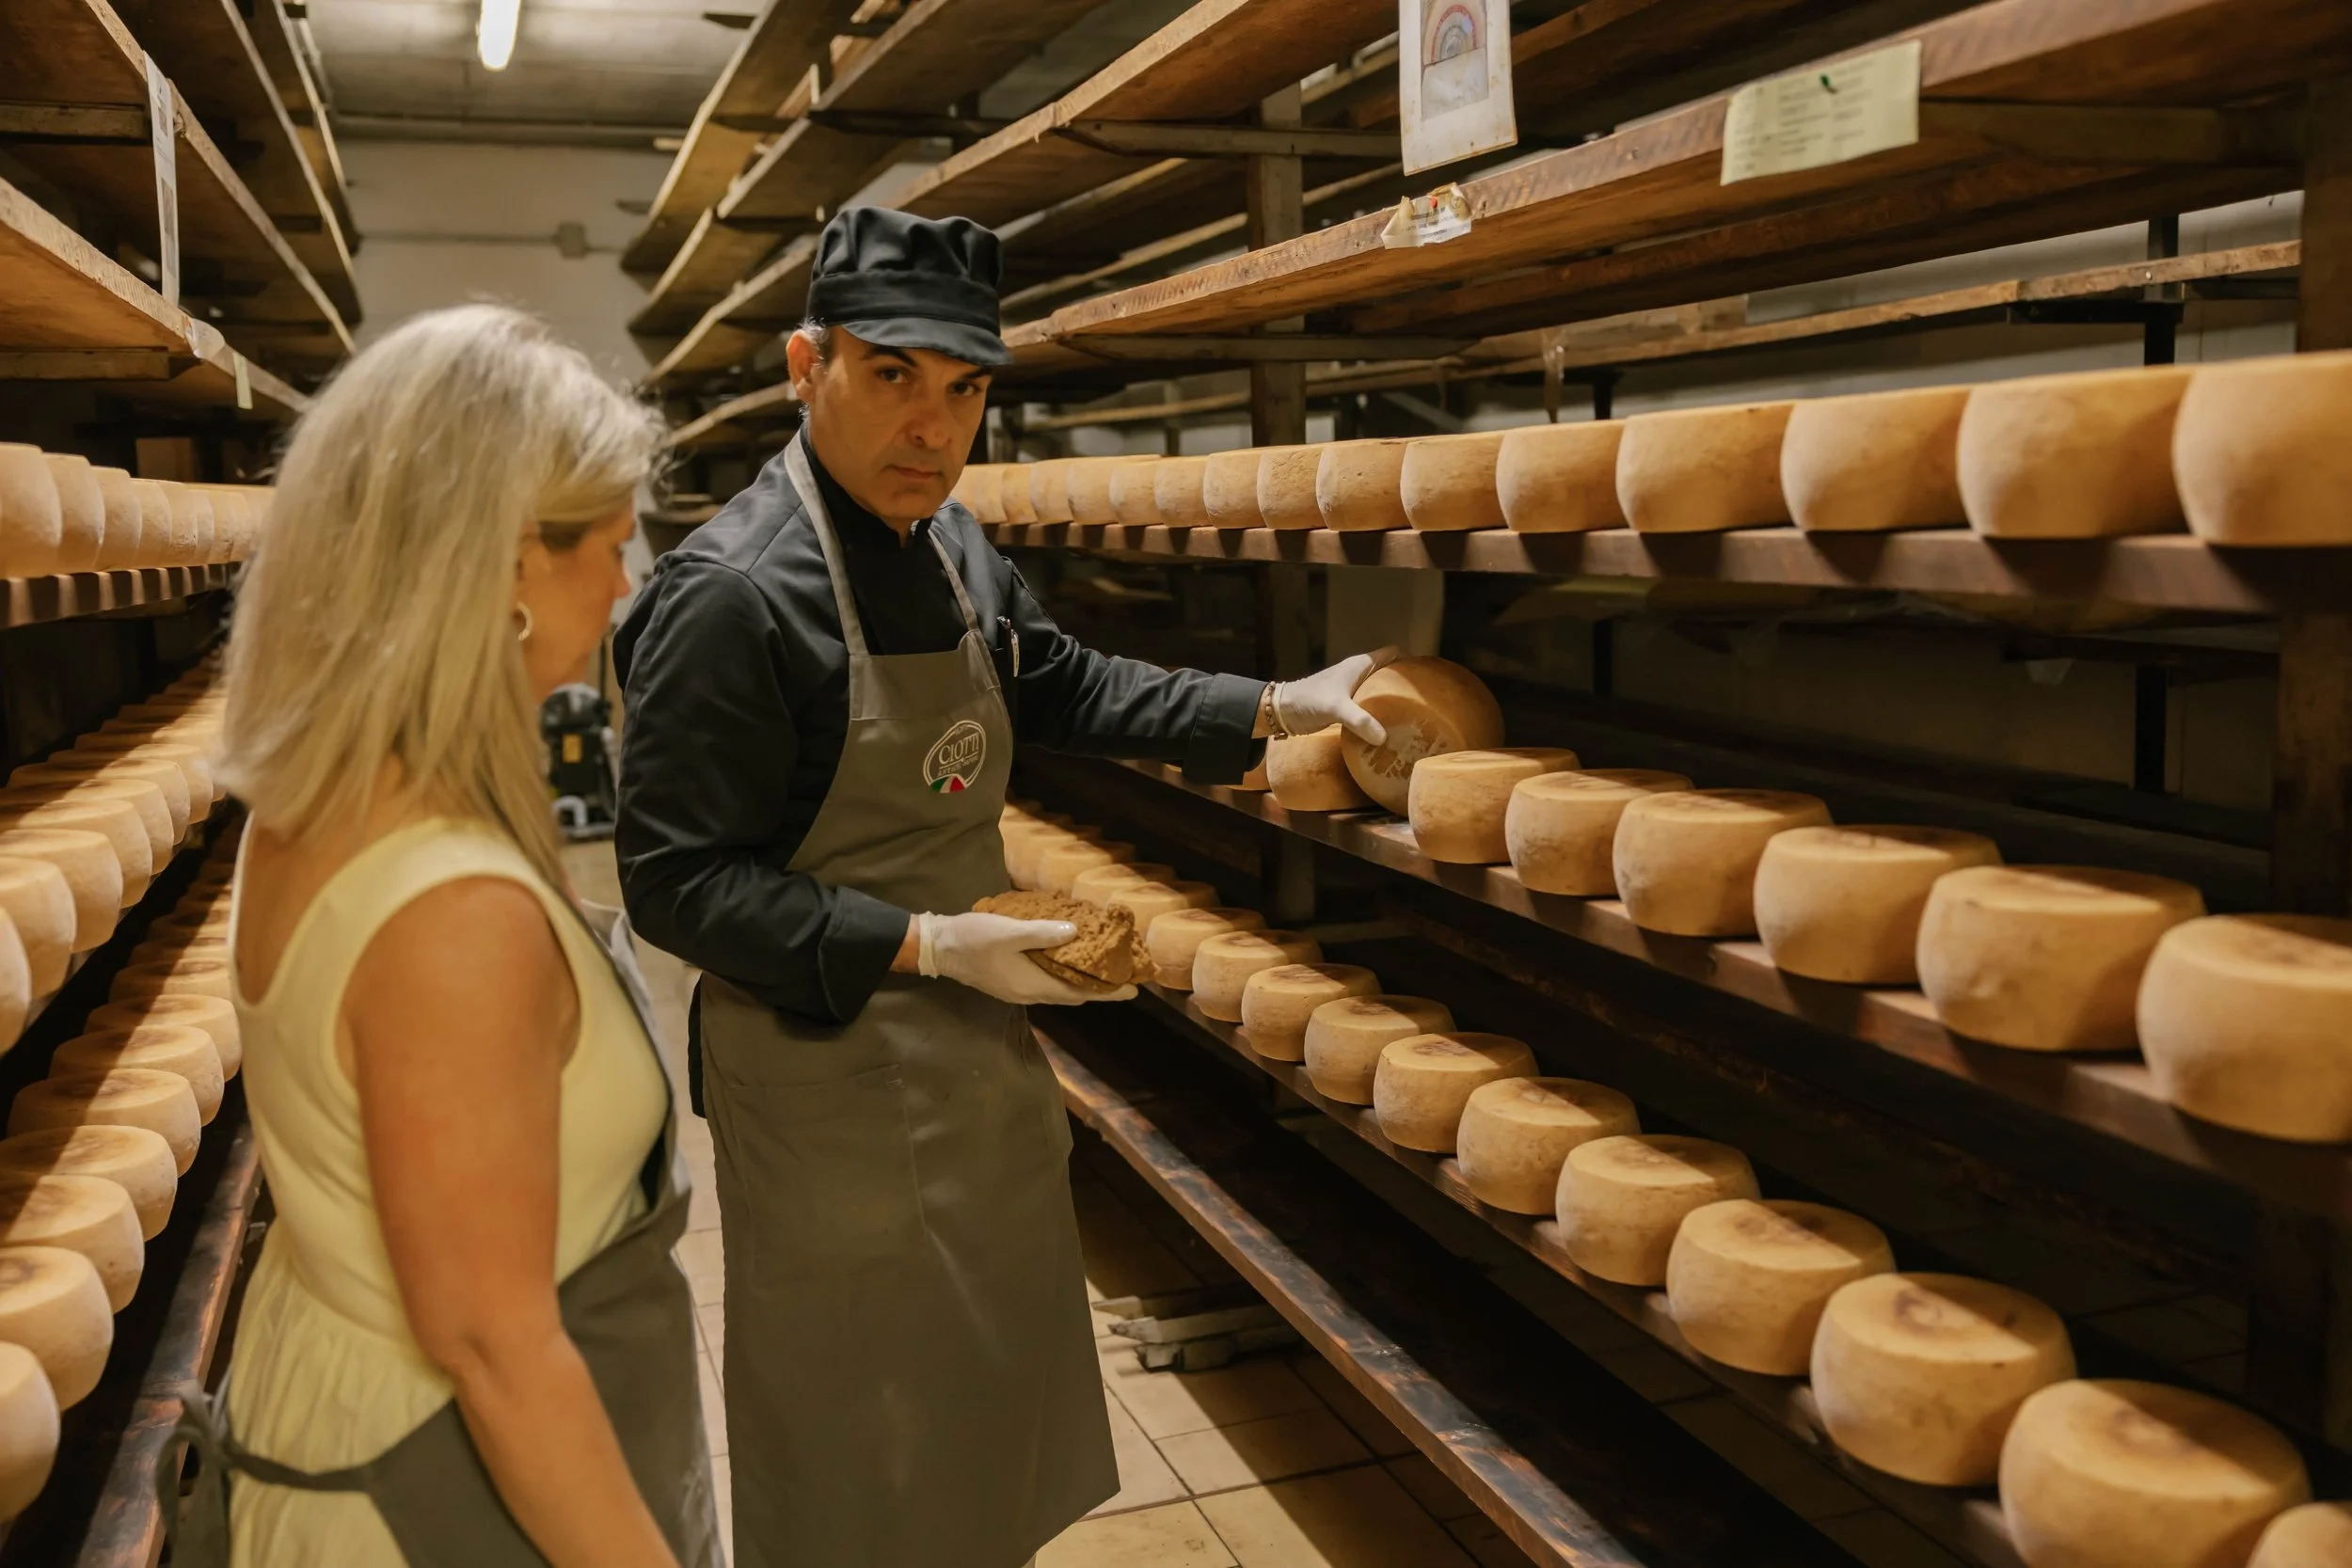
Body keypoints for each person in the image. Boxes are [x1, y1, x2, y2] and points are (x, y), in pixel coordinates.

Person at [615, 208, 1392, 1568]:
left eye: (965, 387)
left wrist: (1274, 704)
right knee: (863, 1442)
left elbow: (1069, 682)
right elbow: (675, 884)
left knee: (978, 1430)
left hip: (975, 1060)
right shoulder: (733, 593)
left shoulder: (953, 547)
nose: (934, 426)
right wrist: (923, 941)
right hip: (824, 1085)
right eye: (893, 376)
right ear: (808, 364)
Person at [204, 305, 720, 1568]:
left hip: (352, 1424)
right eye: (603, 546)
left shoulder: (318, 803)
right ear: (499, 567)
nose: (623, 584)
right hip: (433, 1492)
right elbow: (495, 1347)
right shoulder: (452, 912)